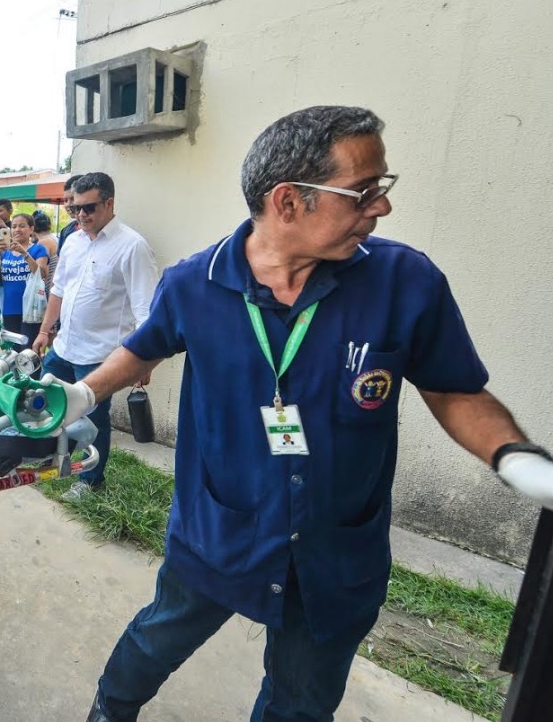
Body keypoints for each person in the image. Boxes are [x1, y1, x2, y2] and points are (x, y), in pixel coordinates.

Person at [45, 106, 553, 722]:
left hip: (334, 550)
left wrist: (514, 456)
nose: (381, 207)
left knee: (303, 701)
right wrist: (84, 393)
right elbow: (146, 346)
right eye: (363, 191)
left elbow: (456, 392)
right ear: (289, 201)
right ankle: (110, 708)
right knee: (158, 639)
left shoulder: (405, 282)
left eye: (381, 187)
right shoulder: (194, 284)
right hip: (221, 530)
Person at [33, 172, 157, 501]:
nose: (81, 216)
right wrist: (46, 330)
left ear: (109, 203)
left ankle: (90, 481)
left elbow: (145, 309)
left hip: (100, 354)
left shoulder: (132, 246)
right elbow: (59, 291)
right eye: (75, 209)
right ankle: (48, 459)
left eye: (88, 208)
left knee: (93, 419)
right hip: (64, 346)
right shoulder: (72, 241)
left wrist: (144, 360)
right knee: (42, 401)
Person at [0, 212, 48, 348]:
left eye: (22, 226)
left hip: (31, 309)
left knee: (28, 351)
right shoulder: (5, 252)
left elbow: (42, 273)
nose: (17, 230)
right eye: (14, 226)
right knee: (13, 351)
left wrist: (24, 253)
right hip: (9, 309)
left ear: (31, 229)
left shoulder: (38, 249)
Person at [57, 176, 83, 253]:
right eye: (65, 200)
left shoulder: (97, 231)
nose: (68, 204)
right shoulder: (65, 231)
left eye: (73, 199)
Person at [32, 210, 59, 282]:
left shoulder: (43, 242)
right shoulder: (54, 238)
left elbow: (42, 271)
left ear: (32, 228)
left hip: (50, 283)